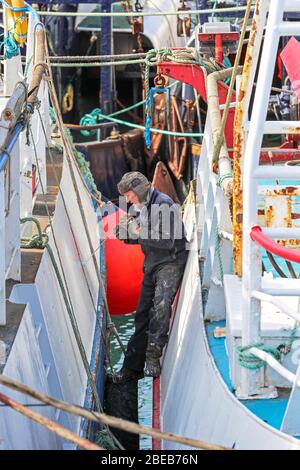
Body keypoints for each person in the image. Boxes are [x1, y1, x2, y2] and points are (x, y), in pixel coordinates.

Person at [112, 171, 188, 381]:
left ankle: (153, 356)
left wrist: (135, 234)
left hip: (171, 262)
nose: (127, 199)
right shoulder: (142, 208)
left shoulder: (164, 204)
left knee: (160, 307)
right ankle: (131, 369)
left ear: (138, 190)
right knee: (142, 315)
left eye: (129, 195)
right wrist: (126, 235)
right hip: (153, 263)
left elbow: (166, 241)